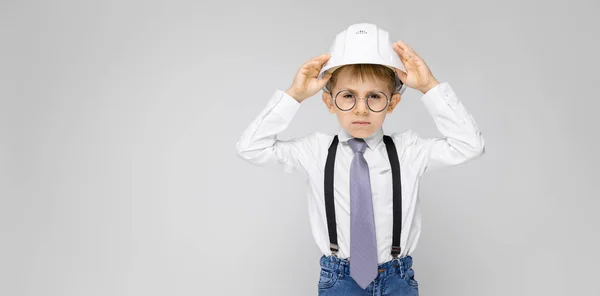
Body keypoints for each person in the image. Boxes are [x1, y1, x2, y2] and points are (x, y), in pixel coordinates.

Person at [236, 23, 485, 295]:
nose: (361, 109)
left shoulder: (408, 150)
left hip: (397, 279)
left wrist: (430, 87)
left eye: (375, 97)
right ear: (330, 102)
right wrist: (294, 95)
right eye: (348, 96)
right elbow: (250, 148)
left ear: (392, 103)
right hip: (339, 280)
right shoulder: (315, 151)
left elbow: (470, 145)